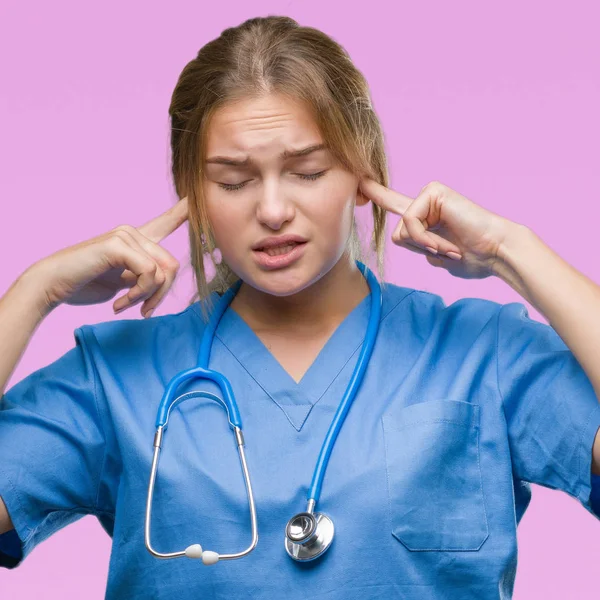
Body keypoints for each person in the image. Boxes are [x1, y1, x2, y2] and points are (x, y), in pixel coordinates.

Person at [0, 14, 599, 599]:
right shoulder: (115, 376)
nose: (272, 210)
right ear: (193, 191)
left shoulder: (481, 353)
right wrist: (36, 291)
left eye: (307, 171)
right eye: (233, 181)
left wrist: (510, 251)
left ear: (361, 167)